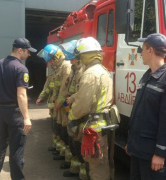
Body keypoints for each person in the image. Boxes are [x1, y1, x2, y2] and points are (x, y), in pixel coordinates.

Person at [125, 33, 166, 180]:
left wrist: (160, 153)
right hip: (138, 150)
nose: (140, 53)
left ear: (150, 50)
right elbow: (138, 113)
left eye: (142, 49)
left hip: (152, 155)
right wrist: (131, 143)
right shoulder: (147, 76)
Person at [0, 38, 37, 180]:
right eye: (27, 51)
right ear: (20, 50)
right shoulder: (21, 69)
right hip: (14, 113)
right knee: (16, 150)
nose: (29, 54)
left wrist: (4, 90)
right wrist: (26, 118)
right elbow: (21, 94)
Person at [67, 37, 113, 180]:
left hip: (93, 129)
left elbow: (82, 105)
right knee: (104, 163)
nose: (79, 59)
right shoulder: (104, 71)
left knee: (96, 167)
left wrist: (71, 117)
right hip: (104, 126)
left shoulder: (90, 74)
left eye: (80, 56)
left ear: (85, 55)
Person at [59, 40, 88, 179]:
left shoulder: (83, 71)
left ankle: (82, 172)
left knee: (79, 143)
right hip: (71, 108)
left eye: (72, 58)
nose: (70, 60)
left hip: (78, 110)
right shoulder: (74, 70)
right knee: (73, 141)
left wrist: (73, 99)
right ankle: (75, 168)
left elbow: (84, 92)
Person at [36, 44, 71, 160]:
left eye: (51, 60)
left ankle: (68, 157)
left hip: (62, 106)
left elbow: (64, 89)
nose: (50, 63)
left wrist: (59, 103)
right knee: (56, 127)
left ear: (56, 57)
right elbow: (49, 84)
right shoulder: (55, 68)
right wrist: (42, 96)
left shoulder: (66, 66)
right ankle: (60, 150)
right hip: (56, 105)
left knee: (64, 130)